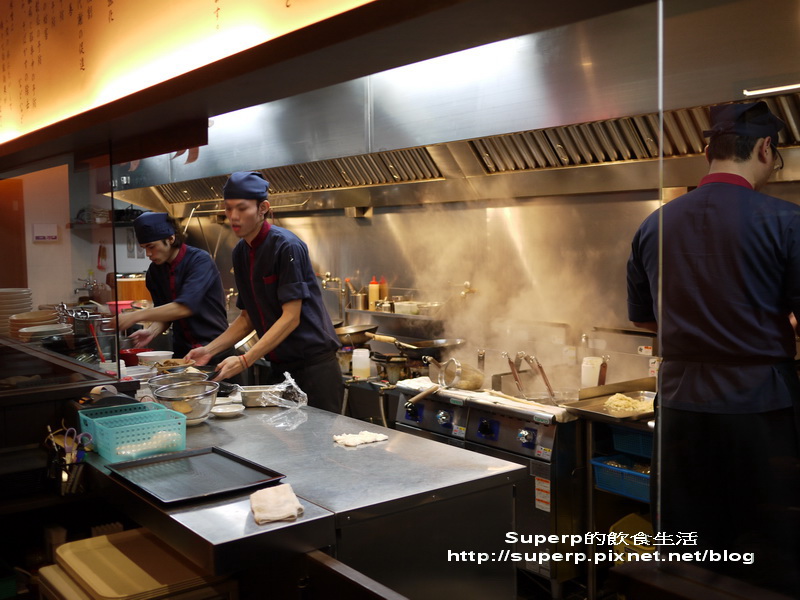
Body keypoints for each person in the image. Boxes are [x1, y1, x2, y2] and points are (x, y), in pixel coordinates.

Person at [626, 100, 800, 595]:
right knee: (764, 553)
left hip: (681, 407)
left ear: (708, 150)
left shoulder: (654, 224)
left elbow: (643, 318)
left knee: (686, 552)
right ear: (766, 148)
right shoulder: (787, 221)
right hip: (760, 409)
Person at [186, 171, 343, 413]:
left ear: (263, 208)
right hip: (280, 366)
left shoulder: (287, 246)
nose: (233, 217)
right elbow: (248, 317)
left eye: (242, 208)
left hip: (314, 367)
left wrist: (245, 360)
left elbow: (291, 317)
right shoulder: (240, 252)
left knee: (319, 444)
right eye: (228, 209)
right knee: (285, 444)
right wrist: (208, 351)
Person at [115, 212, 231, 362]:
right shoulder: (154, 271)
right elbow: (165, 315)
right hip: (183, 354)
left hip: (215, 351)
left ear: (171, 238)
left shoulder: (199, 261)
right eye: (144, 248)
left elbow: (184, 307)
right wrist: (152, 331)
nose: (148, 254)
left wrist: (135, 316)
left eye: (151, 247)